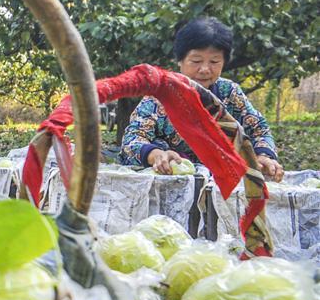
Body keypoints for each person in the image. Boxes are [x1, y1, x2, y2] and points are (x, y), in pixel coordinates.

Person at [120, 17, 284, 182]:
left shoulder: (229, 92)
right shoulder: (159, 96)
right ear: (180, 60)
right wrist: (156, 155)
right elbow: (132, 139)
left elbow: (258, 129)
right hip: (171, 182)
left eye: (214, 61)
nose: (205, 69)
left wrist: (264, 156)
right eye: (196, 61)